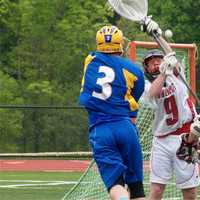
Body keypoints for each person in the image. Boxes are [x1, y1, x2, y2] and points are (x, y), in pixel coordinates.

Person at [79, 25, 146, 200]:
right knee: (137, 190)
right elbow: (134, 96)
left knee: (116, 185)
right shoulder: (135, 71)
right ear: (120, 44)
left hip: (101, 129)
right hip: (126, 127)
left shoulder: (90, 60)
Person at [141, 46, 200, 200]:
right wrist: (162, 72)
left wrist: (160, 36)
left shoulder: (177, 74)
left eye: (159, 60)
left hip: (186, 138)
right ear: (146, 67)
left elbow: (172, 55)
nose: (156, 63)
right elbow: (153, 94)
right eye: (152, 62)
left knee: (189, 191)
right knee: (156, 190)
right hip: (161, 141)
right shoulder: (146, 84)